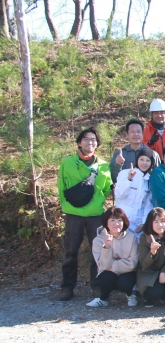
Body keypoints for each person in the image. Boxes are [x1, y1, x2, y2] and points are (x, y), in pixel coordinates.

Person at [57, 127, 112, 301]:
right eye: (86, 139)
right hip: (73, 214)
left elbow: (106, 188)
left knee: (97, 251)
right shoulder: (67, 162)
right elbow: (61, 187)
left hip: (95, 214)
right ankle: (67, 287)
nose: (90, 142)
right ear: (79, 142)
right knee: (71, 251)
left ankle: (96, 287)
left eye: (94, 140)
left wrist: (99, 201)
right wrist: (65, 205)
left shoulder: (103, 164)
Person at [86, 207, 139, 307]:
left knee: (125, 281)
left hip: (126, 272)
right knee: (106, 276)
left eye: (120, 220)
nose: (116, 224)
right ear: (106, 222)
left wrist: (112, 266)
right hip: (108, 273)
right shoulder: (98, 240)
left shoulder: (131, 237)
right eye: (112, 220)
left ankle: (130, 294)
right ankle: (103, 298)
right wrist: (107, 247)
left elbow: (132, 263)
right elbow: (102, 265)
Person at [114, 147, 155, 239]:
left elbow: (148, 204)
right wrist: (129, 179)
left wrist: (144, 222)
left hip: (138, 223)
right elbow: (119, 194)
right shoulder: (125, 173)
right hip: (123, 219)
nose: (144, 163)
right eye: (141, 159)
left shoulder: (149, 179)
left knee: (136, 250)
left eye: (148, 160)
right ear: (137, 160)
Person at [109, 119, 161, 183]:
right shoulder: (120, 154)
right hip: (125, 191)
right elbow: (113, 179)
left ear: (143, 134)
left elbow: (158, 178)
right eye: (132, 132)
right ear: (127, 134)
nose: (136, 134)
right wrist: (118, 165)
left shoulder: (153, 154)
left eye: (138, 131)